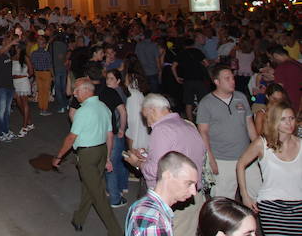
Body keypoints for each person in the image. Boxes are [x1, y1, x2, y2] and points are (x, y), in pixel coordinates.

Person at [124, 94, 207, 236]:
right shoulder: (188, 125)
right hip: (194, 196)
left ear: (152, 110)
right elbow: (174, 160)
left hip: (176, 199)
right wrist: (147, 156)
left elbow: (156, 170)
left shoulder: (161, 130)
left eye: (146, 118)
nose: (148, 124)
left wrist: (137, 163)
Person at [51, 77, 121, 236]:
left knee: (98, 195)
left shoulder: (83, 111)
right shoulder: (103, 107)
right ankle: (78, 219)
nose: (74, 94)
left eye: (77, 91)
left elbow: (71, 138)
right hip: (102, 151)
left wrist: (58, 156)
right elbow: (109, 135)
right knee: (89, 189)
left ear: (87, 90)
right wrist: (108, 157)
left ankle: (116, 231)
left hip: (87, 156)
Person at [235, 101, 301, 235]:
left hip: (299, 204)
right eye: (283, 119)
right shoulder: (262, 143)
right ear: (275, 121)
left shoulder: (300, 144)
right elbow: (241, 163)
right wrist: (244, 195)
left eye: (291, 118)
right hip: (271, 205)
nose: (289, 123)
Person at [196, 65, 261, 200]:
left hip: (247, 157)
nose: (232, 81)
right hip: (222, 159)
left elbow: (249, 124)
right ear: (217, 82)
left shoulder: (241, 97)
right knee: (224, 200)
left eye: (232, 77)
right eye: (227, 78)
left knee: (256, 195)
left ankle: (251, 220)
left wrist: (258, 148)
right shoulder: (206, 103)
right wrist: (211, 159)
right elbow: (203, 133)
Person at [124, 151, 199, 236]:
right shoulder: (155, 222)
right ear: (167, 176)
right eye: (189, 183)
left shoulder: (142, 204)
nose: (194, 192)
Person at [103, 69, 129, 208]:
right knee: (118, 161)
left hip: (114, 133)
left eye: (112, 79)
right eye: (107, 78)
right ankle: (121, 188)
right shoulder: (118, 91)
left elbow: (122, 113)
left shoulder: (116, 93)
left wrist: (121, 130)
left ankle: (114, 195)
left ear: (118, 81)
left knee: (111, 164)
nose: (108, 81)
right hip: (117, 132)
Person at [0, 42, 16, 142]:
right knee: (1, 111)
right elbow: (1, 51)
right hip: (1, 86)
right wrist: (11, 42)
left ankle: (6, 130)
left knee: (7, 111)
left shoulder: (8, 55)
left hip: (9, 86)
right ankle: (1, 134)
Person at [269, 46, 302, 113]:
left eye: (271, 58)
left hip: (289, 106)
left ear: (276, 56)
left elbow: (278, 90)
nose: (272, 61)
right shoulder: (299, 65)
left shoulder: (281, 68)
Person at [11, 44, 34, 137]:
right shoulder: (12, 57)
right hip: (15, 82)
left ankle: (24, 127)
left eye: (17, 46)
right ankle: (29, 122)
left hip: (23, 81)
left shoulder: (25, 57)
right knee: (19, 103)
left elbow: (31, 71)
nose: (16, 47)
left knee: (24, 103)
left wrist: (23, 75)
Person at [31, 35, 54, 116]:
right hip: (46, 73)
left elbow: (33, 64)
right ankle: (44, 109)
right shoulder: (46, 53)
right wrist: (53, 75)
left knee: (40, 91)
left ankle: (41, 108)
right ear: (44, 45)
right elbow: (50, 65)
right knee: (46, 92)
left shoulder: (33, 53)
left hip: (37, 73)